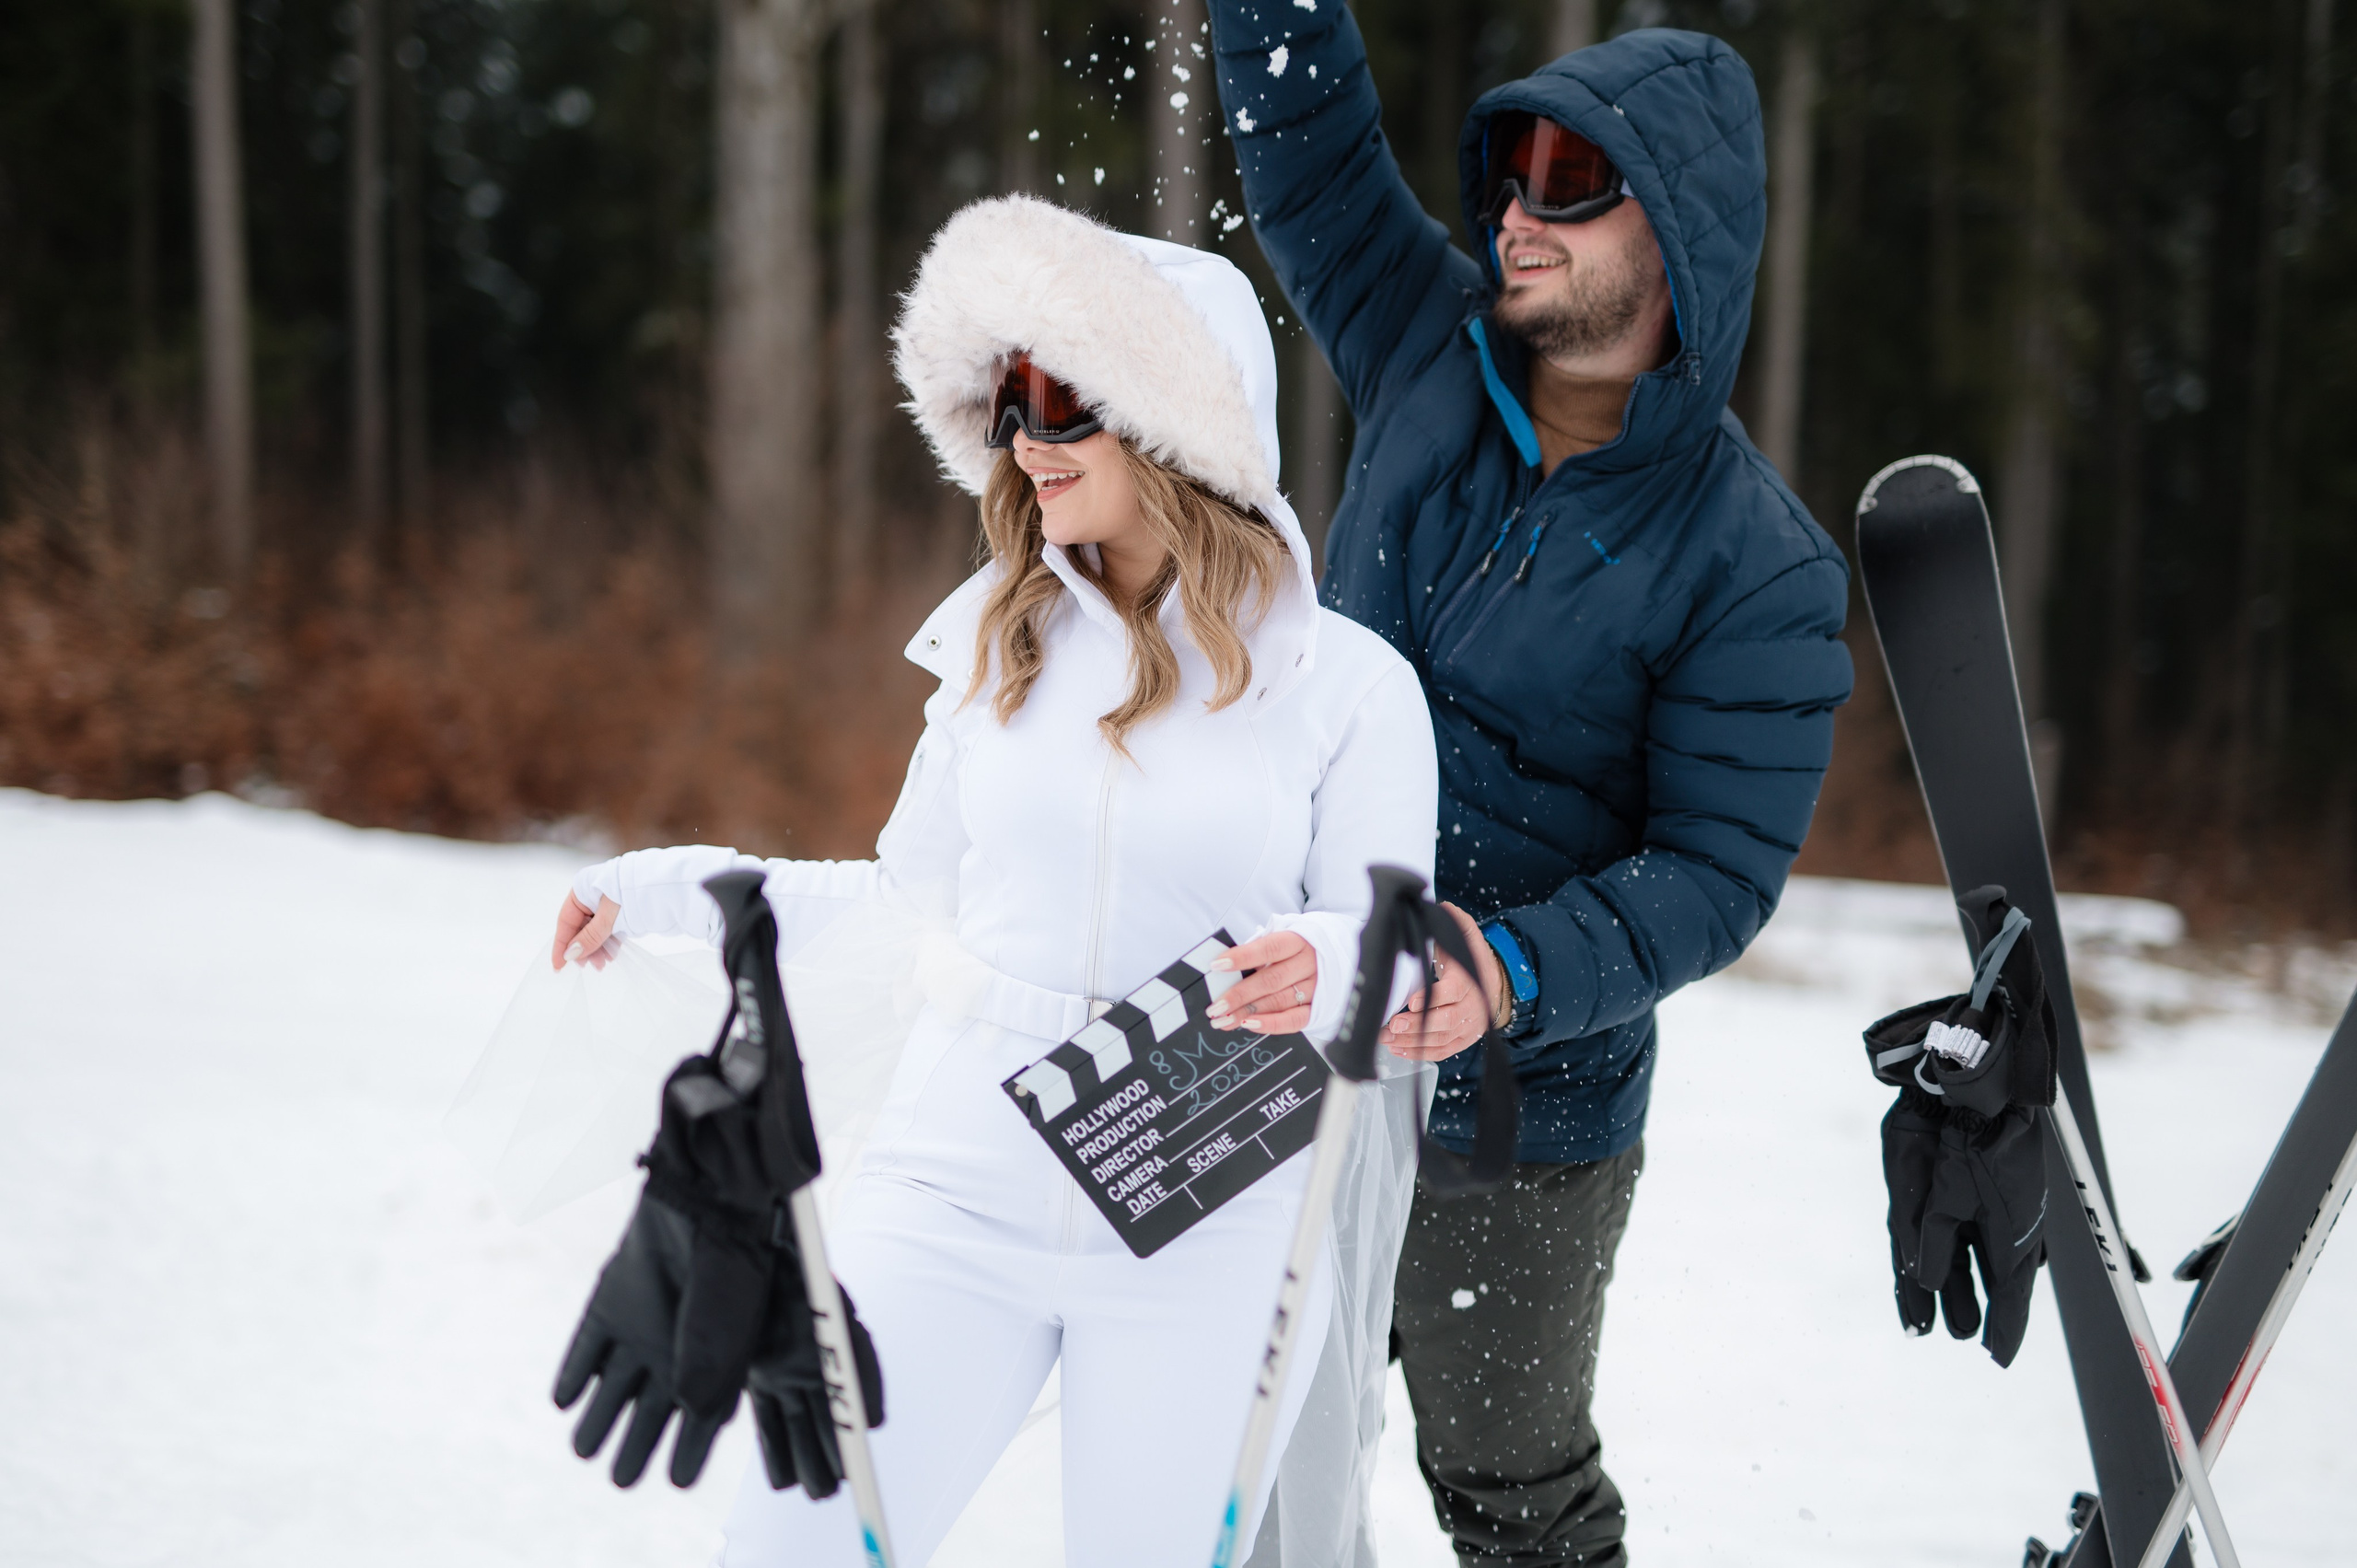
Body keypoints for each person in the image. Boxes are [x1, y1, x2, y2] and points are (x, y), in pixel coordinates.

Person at [549, 195, 1438, 1567]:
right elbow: (915, 904)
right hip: (959, 1173)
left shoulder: (1347, 687)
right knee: (789, 1547)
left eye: (1060, 399)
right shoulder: (998, 650)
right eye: (1008, 401)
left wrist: (1332, 962)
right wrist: (677, 891)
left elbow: (1404, 953)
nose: (1025, 438)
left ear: (1172, 418)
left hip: (1207, 1211)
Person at [1208, 12, 1855, 1567]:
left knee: (1509, 1485)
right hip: (1291, 1028)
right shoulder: (1427, 342)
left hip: (1525, 1107)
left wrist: (1505, 974)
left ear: (1676, 233)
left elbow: (1712, 872)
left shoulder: (1760, 569)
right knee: (1228, 1433)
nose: (1515, 208)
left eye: (1571, 178)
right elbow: (1308, 152)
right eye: (1510, 168)